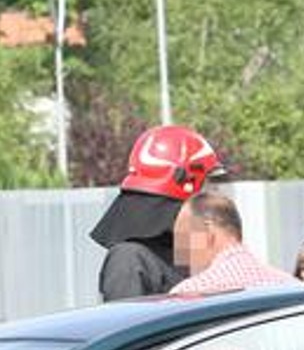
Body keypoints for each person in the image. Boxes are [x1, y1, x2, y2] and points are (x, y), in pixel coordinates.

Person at [88, 124, 225, 301]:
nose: (214, 194)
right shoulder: (130, 260)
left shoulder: (189, 252)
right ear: (188, 181)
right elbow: (126, 325)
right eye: (209, 182)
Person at [169, 191, 293, 294]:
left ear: (207, 232)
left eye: (184, 240)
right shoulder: (290, 285)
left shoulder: (190, 293)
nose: (180, 254)